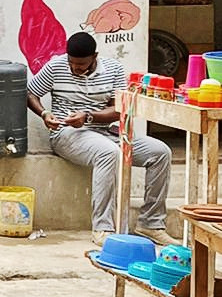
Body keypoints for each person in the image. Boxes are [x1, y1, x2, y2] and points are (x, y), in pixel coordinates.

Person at [27, 31, 173, 245]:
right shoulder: (55, 67)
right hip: (66, 134)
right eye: (72, 63)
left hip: (105, 131)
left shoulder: (112, 69)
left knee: (160, 152)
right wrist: (44, 114)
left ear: (94, 56)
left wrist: (88, 117)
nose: (75, 68)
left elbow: (119, 109)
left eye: (81, 64)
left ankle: (150, 224)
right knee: (108, 152)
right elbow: (31, 94)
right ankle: (103, 228)